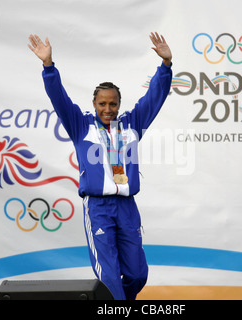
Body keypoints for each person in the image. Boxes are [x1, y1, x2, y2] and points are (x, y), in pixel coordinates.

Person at [28, 32, 172, 300]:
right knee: (108, 277)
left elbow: (155, 97)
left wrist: (165, 66)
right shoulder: (80, 125)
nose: (108, 109)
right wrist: (48, 66)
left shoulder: (132, 124)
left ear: (119, 104)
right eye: (102, 103)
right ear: (94, 104)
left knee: (137, 274)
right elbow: (58, 98)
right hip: (98, 208)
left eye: (113, 103)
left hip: (127, 207)